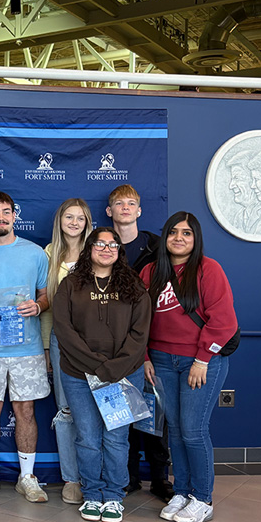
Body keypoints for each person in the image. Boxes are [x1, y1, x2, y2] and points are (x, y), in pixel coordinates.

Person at [141, 212, 237, 522]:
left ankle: (203, 498)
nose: (179, 238)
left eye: (186, 233)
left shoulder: (209, 270)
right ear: (164, 237)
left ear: (195, 239)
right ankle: (181, 491)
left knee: (194, 431)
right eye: (173, 232)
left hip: (200, 362)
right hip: (162, 361)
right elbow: (140, 322)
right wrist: (144, 357)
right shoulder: (150, 272)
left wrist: (202, 359)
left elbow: (223, 321)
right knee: (177, 432)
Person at [53, 228, 151, 522]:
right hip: (79, 375)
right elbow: (64, 330)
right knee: (87, 437)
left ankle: (114, 496)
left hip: (122, 376)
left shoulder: (134, 287)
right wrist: (96, 366)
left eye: (113, 244)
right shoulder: (71, 284)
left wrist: (112, 369)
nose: (106, 249)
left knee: (117, 438)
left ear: (120, 250)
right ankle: (92, 494)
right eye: (100, 244)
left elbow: (140, 335)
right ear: (89, 248)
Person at [0, 192, 50, 503]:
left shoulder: (35, 254)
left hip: (26, 349)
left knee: (26, 411)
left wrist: (38, 307)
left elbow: (46, 296)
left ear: (14, 215)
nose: (1, 218)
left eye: (6, 212)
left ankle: (27, 477)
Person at [106, 183, 171, 500]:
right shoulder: (103, 247)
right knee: (123, 414)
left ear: (140, 210)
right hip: (116, 344)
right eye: (119, 203)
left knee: (156, 412)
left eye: (132, 203)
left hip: (153, 341)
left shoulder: (159, 248)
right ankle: (128, 478)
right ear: (110, 211)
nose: (126, 208)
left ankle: (160, 480)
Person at [40, 199, 93, 505]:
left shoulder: (98, 250)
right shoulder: (50, 253)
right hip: (62, 342)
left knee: (96, 410)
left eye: (80, 218)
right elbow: (47, 305)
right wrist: (47, 346)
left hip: (96, 344)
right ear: (60, 220)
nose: (74, 222)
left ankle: (94, 477)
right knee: (67, 410)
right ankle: (72, 479)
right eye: (69, 217)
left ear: (88, 222)